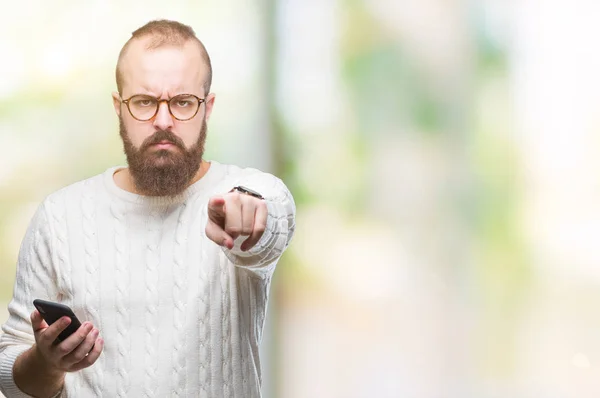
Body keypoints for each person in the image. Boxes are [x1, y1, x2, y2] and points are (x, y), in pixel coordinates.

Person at [0, 19, 295, 398]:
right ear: (118, 107)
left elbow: (275, 218)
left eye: (183, 102)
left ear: (208, 108)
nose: (163, 121)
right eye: (144, 102)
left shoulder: (247, 191)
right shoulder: (60, 216)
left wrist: (252, 223)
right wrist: (47, 363)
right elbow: (10, 373)